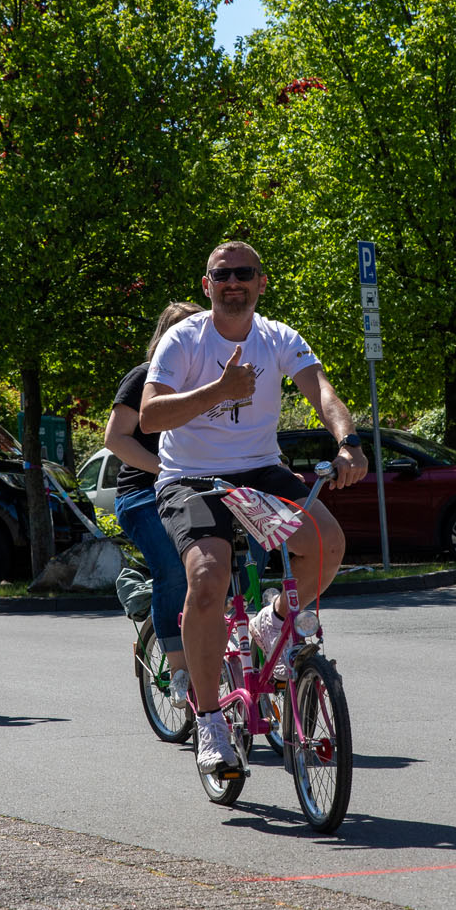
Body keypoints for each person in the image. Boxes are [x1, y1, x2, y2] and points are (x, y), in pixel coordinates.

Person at [140, 242, 367, 773]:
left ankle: (275, 622)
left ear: (262, 282)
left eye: (244, 273)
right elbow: (150, 417)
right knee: (208, 577)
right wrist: (218, 389)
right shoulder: (183, 339)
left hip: (261, 469)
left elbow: (322, 391)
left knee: (328, 541)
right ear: (207, 285)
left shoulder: (278, 337)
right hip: (190, 476)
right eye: (222, 274)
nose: (233, 282)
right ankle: (210, 720)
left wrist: (348, 440)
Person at [105, 301, 202, 707]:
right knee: (173, 568)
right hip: (143, 492)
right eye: (180, 332)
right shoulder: (143, 378)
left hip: (198, 491)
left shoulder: (210, 378)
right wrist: (167, 469)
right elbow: (115, 439)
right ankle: (180, 670)